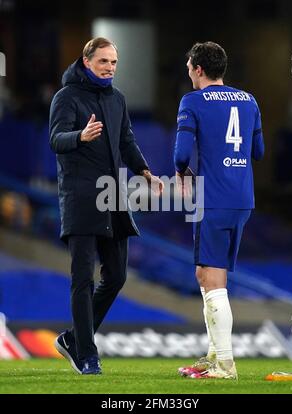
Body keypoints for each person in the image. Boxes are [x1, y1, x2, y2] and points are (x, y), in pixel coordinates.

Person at [49, 37, 163, 375]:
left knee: (116, 276)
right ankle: (87, 354)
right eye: (103, 62)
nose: (110, 68)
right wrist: (80, 136)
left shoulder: (117, 100)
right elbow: (56, 139)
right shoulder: (66, 97)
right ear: (87, 61)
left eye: (114, 62)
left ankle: (73, 339)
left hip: (113, 196)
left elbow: (126, 140)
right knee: (82, 279)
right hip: (81, 197)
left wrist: (145, 171)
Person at [174, 41, 264, 379]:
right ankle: (214, 354)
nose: (189, 75)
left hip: (213, 198)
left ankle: (225, 364)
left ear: (198, 69)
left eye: (189, 69)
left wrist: (182, 173)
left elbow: (182, 154)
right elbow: (258, 150)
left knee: (212, 280)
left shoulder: (193, 101)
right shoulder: (250, 100)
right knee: (207, 274)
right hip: (243, 199)